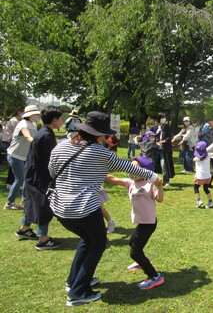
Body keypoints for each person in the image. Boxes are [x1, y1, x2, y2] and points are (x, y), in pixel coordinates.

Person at [48, 111, 164, 306]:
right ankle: (78, 293)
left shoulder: (61, 147)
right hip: (84, 208)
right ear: (98, 134)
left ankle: (74, 281)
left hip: (60, 208)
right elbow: (130, 168)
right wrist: (155, 178)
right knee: (97, 243)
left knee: (87, 240)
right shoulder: (100, 152)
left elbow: (52, 171)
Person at [105, 156, 164, 290]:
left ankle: (155, 276)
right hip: (141, 222)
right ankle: (143, 261)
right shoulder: (130, 183)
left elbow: (159, 199)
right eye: (130, 167)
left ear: (144, 171)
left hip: (149, 222)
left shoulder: (150, 184)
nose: (131, 170)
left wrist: (159, 185)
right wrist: (95, 170)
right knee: (132, 243)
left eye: (135, 168)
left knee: (134, 252)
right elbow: (112, 179)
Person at [15, 106, 63, 250]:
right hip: (40, 176)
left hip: (33, 174)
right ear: (54, 120)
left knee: (32, 202)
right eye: (60, 119)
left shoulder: (43, 131)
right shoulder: (46, 135)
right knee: (43, 205)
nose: (61, 122)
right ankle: (43, 239)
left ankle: (24, 229)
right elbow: (51, 160)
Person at [5, 105, 41, 210]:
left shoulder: (33, 124)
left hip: (24, 157)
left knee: (26, 178)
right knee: (19, 179)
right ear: (31, 115)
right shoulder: (23, 124)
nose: (38, 116)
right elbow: (27, 136)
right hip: (15, 156)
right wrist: (38, 144)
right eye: (36, 114)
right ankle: (9, 203)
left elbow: (37, 137)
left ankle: (25, 199)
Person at [1, 107, 24, 188]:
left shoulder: (20, 121)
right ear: (19, 112)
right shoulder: (14, 121)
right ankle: (11, 183)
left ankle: (13, 183)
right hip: (8, 143)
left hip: (13, 143)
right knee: (14, 164)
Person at [151, 113, 175, 186]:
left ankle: (166, 181)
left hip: (164, 150)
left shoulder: (167, 127)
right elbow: (149, 135)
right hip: (156, 149)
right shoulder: (155, 127)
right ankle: (153, 180)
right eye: (162, 117)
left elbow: (169, 137)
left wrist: (162, 142)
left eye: (165, 117)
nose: (164, 119)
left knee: (164, 165)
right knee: (153, 166)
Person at [192, 141, 213, 208]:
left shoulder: (196, 158)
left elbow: (194, 159)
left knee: (196, 188)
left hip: (200, 176)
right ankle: (211, 201)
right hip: (208, 177)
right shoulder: (209, 155)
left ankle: (199, 200)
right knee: (205, 188)